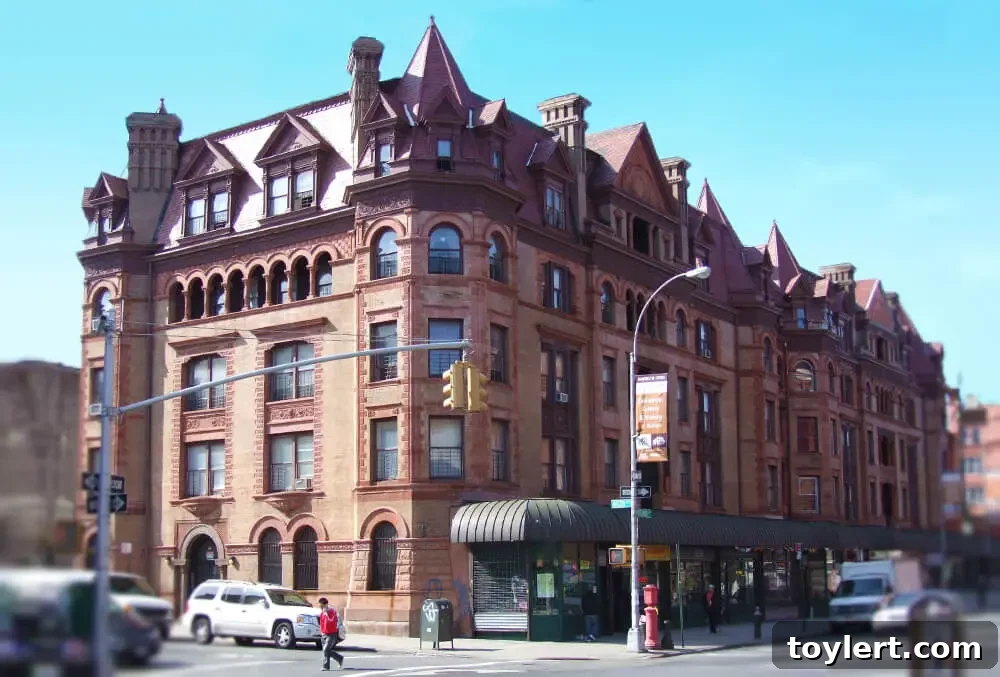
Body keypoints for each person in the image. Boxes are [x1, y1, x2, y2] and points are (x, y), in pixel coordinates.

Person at [318, 597, 343, 671]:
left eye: (321, 605)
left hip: (332, 633)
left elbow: (332, 620)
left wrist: (327, 613)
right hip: (324, 633)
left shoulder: (332, 611)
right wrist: (322, 632)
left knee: (326, 649)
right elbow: (321, 623)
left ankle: (325, 666)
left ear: (325, 605)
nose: (320, 607)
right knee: (326, 651)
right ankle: (339, 658)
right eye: (320, 606)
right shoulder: (322, 613)